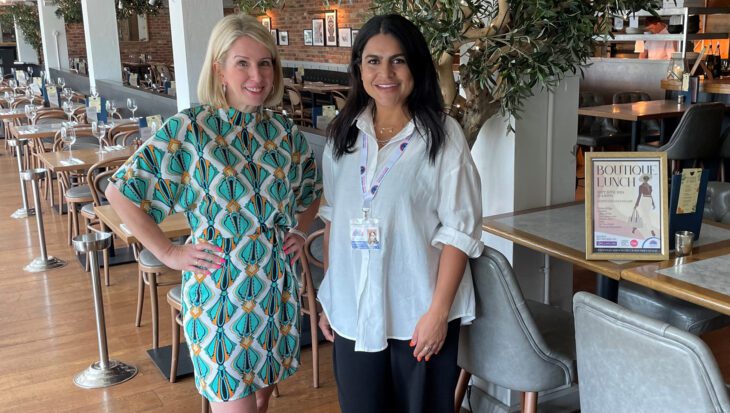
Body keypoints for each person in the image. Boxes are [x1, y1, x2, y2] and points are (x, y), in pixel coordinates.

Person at [105, 14, 321, 413]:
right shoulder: (191, 128)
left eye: (265, 63)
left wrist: (300, 232)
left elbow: (311, 192)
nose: (257, 75)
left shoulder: (284, 131)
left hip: (276, 290)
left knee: (260, 400)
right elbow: (120, 193)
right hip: (221, 296)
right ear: (219, 69)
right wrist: (169, 253)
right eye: (243, 63)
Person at [317, 14, 483, 413]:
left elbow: (460, 231)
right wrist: (330, 298)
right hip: (352, 314)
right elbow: (333, 221)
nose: (385, 72)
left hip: (418, 316)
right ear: (359, 68)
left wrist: (439, 313)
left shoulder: (443, 136)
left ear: (416, 66)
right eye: (373, 61)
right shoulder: (344, 135)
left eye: (398, 60)